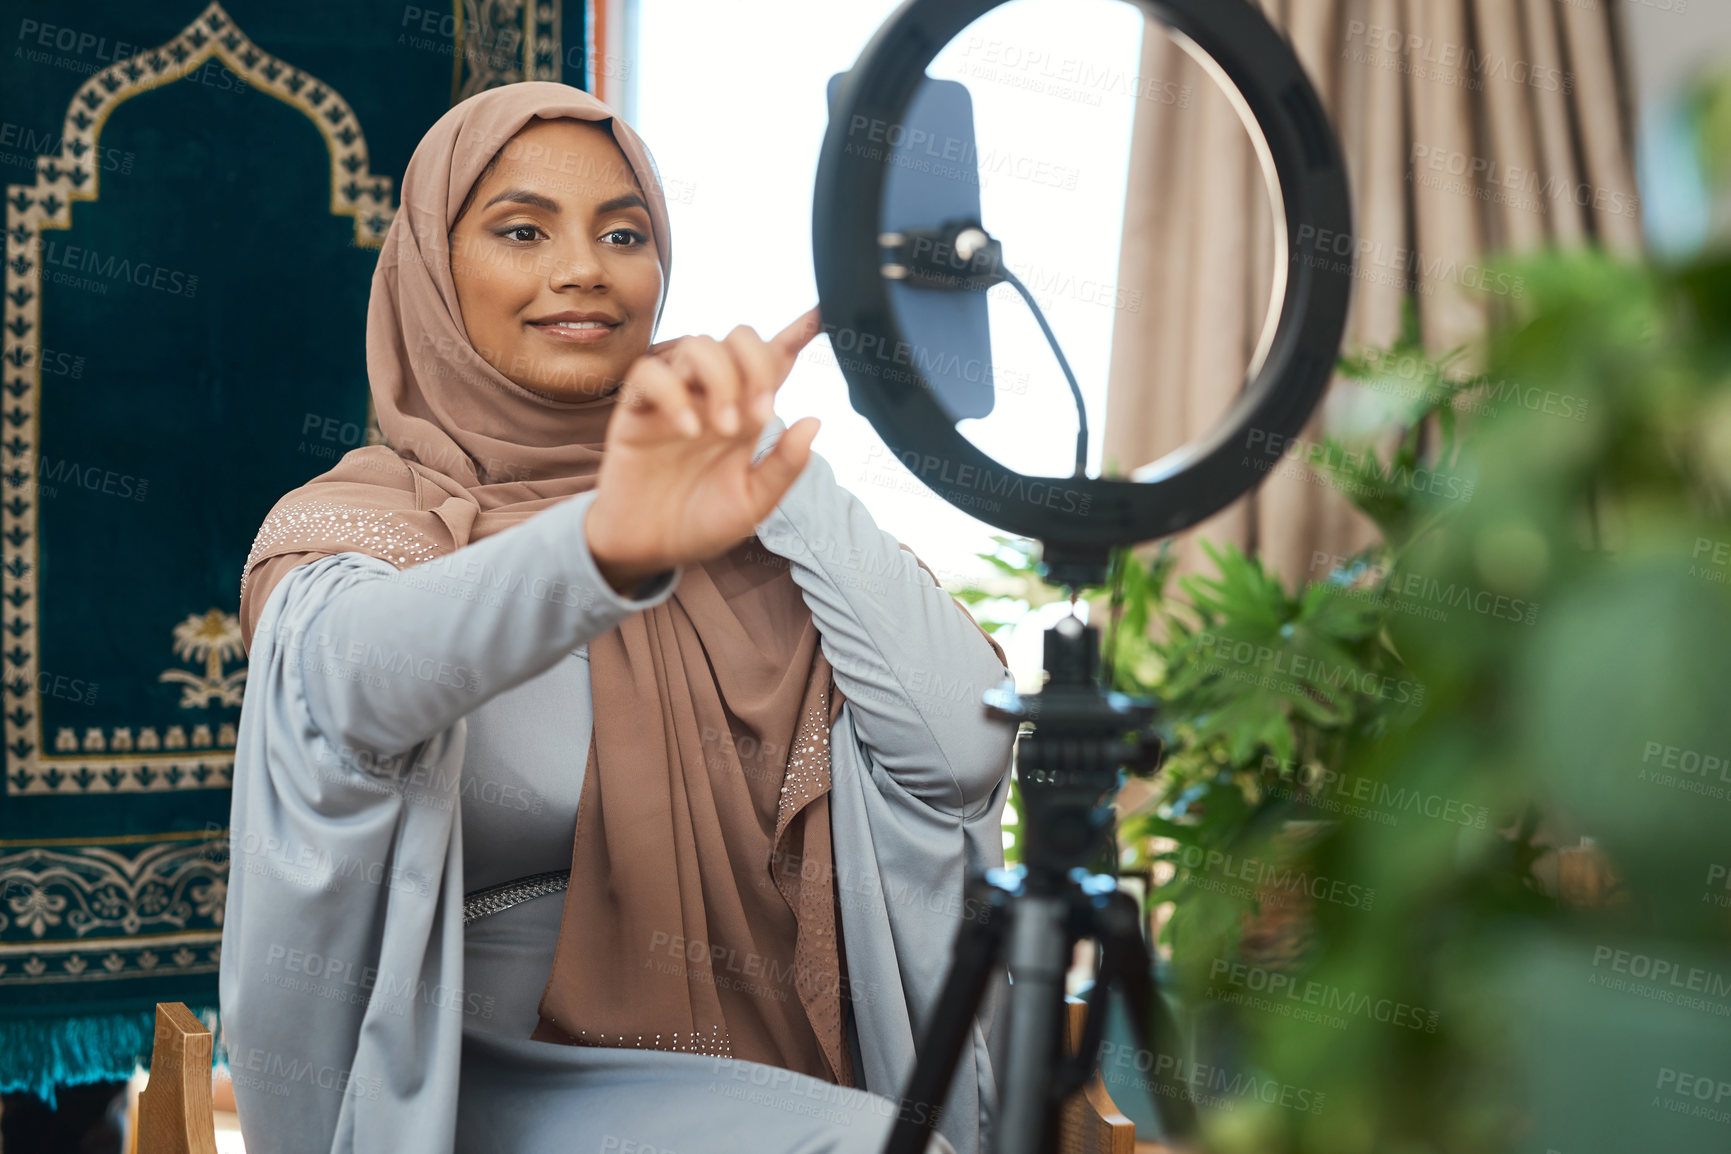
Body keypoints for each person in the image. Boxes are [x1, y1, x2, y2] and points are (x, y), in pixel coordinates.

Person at [220, 81, 1019, 1154]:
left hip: (768, 1072)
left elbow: (959, 751)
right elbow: (346, 685)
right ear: (432, 271)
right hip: (470, 1087)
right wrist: (607, 544)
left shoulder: (741, 525)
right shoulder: (365, 523)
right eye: (520, 229)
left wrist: (768, 461)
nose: (584, 267)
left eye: (624, 231)